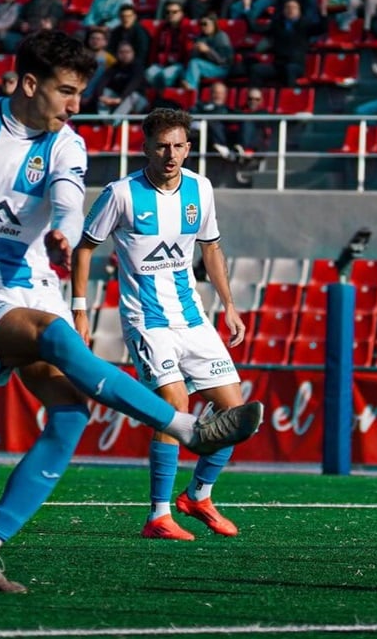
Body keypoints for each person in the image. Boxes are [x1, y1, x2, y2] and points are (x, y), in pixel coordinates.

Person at [0, 30, 263, 594]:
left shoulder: (65, 144)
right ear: (31, 84)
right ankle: (183, 427)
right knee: (54, 335)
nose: (77, 105)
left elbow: (68, 202)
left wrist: (63, 229)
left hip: (33, 286)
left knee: (71, 416)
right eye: (68, 91)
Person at [73, 107, 247, 540]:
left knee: (236, 411)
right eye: (161, 146)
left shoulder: (200, 189)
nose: (170, 155)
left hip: (192, 319)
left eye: (178, 146)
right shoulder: (122, 193)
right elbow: (84, 248)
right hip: (146, 321)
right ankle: (158, 515)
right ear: (146, 147)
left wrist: (229, 305)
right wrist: (79, 309)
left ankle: (199, 496)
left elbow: (211, 248)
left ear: (189, 148)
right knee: (174, 408)